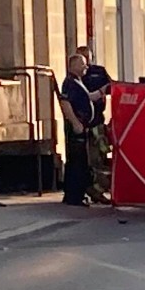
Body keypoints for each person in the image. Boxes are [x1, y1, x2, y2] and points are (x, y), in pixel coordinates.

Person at [75, 45, 112, 204]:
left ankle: (98, 189)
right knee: (91, 159)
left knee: (102, 154)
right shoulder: (76, 78)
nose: (86, 63)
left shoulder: (99, 71)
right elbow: (83, 98)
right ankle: (93, 190)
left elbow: (112, 87)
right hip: (84, 122)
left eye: (88, 58)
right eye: (82, 59)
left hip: (98, 120)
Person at [59, 54, 96, 206]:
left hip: (82, 126)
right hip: (76, 128)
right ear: (73, 65)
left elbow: (87, 99)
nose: (85, 67)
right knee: (76, 162)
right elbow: (65, 103)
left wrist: (101, 92)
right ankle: (73, 196)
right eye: (82, 64)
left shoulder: (78, 82)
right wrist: (75, 123)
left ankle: (78, 194)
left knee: (81, 162)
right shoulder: (69, 83)